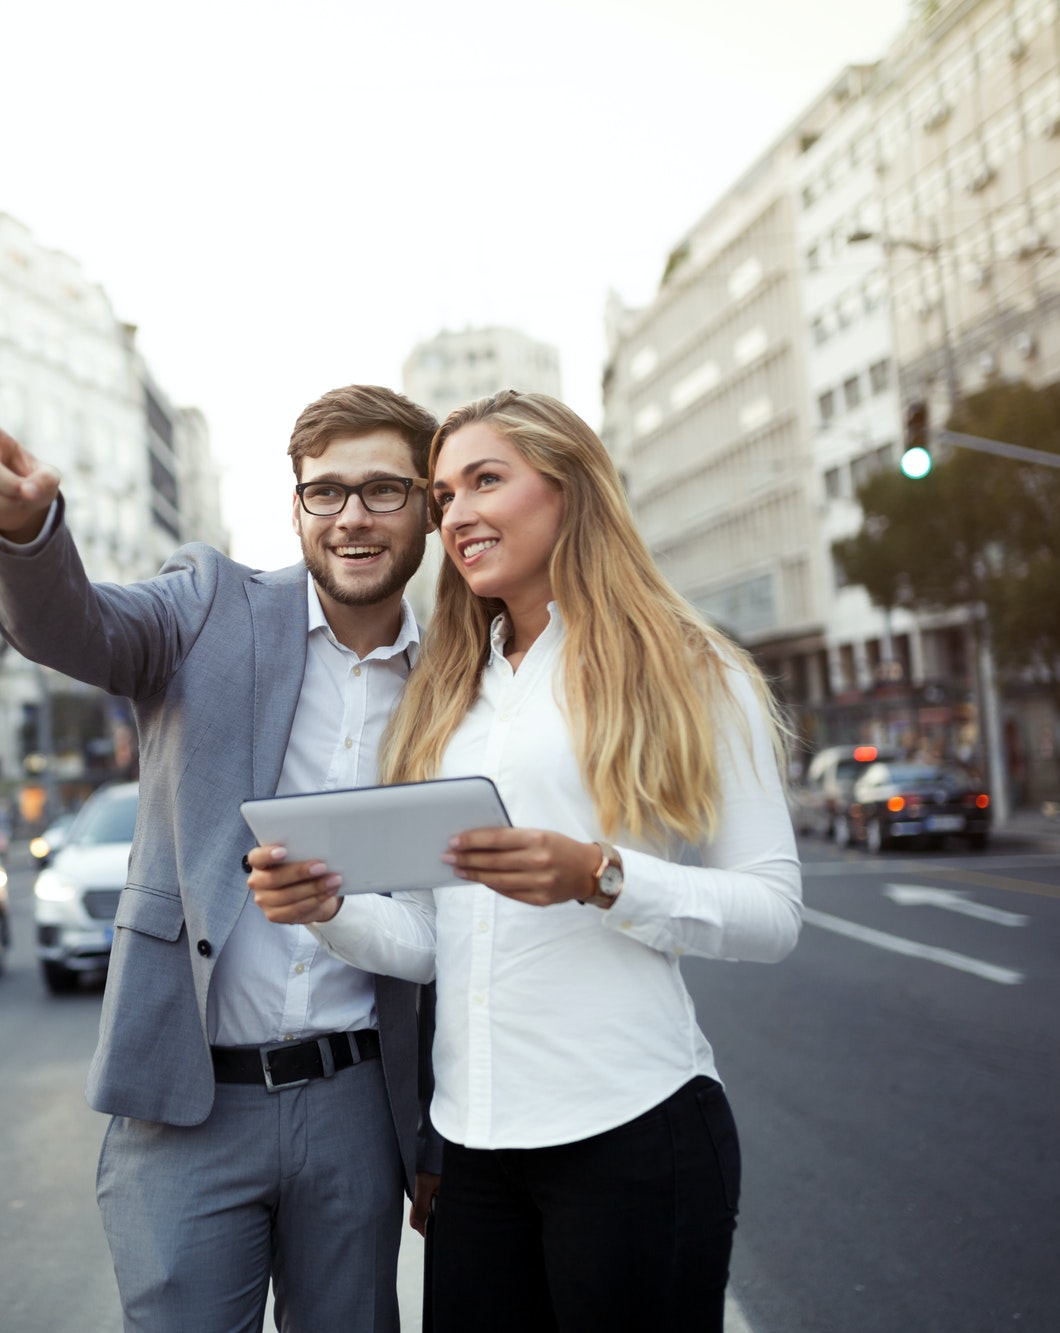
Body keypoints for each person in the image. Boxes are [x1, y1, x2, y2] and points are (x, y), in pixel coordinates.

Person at [247, 391, 802, 1332]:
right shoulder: (446, 696)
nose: (456, 512)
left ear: (569, 487)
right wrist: (325, 907)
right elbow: (431, 939)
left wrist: (602, 875)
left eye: (485, 480)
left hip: (632, 1128)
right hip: (471, 1155)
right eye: (444, 492)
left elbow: (773, 914)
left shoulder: (688, 667)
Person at [0, 385, 443, 1333]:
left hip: (356, 1105)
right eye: (325, 491)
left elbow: (456, 923)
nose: (351, 517)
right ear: (295, 503)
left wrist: (433, 1139)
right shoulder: (211, 605)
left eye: (384, 491)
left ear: (428, 503)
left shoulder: (453, 677)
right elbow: (76, 626)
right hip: (189, 1100)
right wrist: (26, 532)